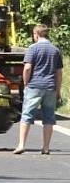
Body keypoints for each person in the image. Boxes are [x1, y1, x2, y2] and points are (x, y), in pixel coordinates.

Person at [13, 24, 63, 154]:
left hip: (35, 85)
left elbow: (28, 68)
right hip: (50, 86)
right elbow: (59, 73)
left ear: (36, 34)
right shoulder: (55, 50)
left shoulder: (32, 48)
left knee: (27, 115)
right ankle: (46, 147)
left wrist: (25, 83)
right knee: (49, 117)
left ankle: (21, 145)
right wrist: (58, 91)